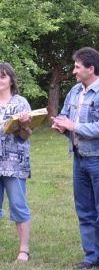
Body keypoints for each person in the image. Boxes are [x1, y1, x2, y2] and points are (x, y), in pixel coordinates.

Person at [52, 47, 99, 270]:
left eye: (77, 67)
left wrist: (73, 126)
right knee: (84, 211)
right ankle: (91, 256)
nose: (73, 71)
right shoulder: (74, 91)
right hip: (79, 158)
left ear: (91, 69)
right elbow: (65, 115)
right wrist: (60, 125)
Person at [0, 62, 33, 262]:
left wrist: (25, 125)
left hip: (14, 163)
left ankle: (24, 249)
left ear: (11, 80)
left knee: (18, 205)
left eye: (2, 76)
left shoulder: (21, 103)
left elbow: (25, 136)